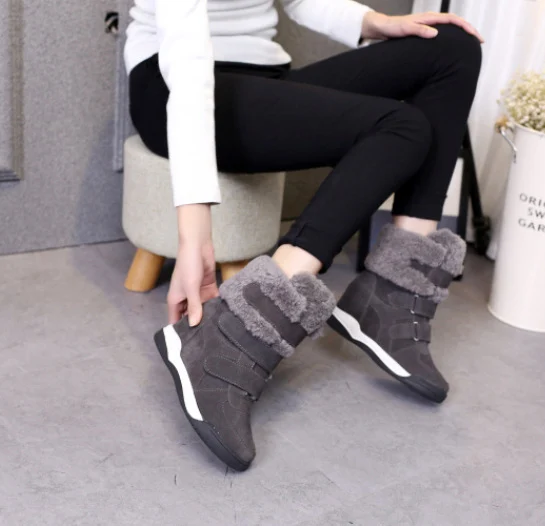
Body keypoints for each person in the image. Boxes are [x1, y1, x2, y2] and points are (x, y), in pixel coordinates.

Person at [125, 0, 482, 471]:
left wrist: (372, 22)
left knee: (453, 47)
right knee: (402, 128)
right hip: (173, 82)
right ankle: (232, 334)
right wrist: (194, 236)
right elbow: (187, 63)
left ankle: (395, 295)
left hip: (262, 78)